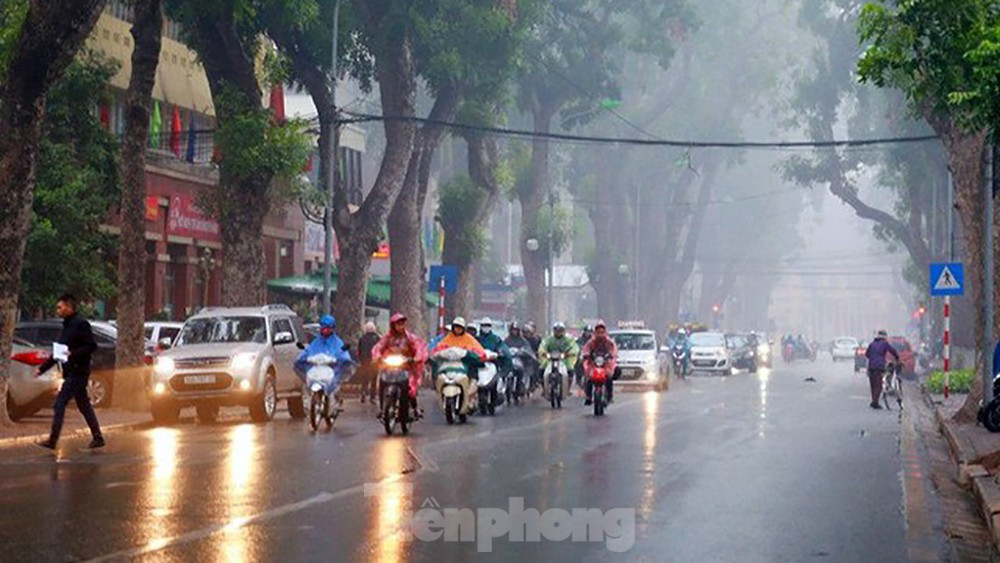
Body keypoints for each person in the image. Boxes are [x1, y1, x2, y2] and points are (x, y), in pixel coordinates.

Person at [35, 294, 104, 450]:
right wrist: (42, 369)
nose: (58, 310)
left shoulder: (81, 324)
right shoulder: (66, 326)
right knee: (84, 405)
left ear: (68, 307)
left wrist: (73, 353)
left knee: (60, 403)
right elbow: (58, 353)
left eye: (60, 307)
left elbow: (91, 346)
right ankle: (98, 437)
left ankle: (53, 440)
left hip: (78, 372)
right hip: (71, 371)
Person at [371, 313, 428, 416]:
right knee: (382, 382)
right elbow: (378, 347)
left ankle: (414, 408)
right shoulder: (387, 338)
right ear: (393, 325)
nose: (400, 327)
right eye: (398, 324)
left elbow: (418, 347)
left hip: (406, 367)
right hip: (389, 367)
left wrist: (416, 358)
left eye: (402, 324)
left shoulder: (410, 338)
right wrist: (378, 357)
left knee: (410, 388)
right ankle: (382, 407)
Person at [294, 314, 354, 398]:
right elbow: (309, 350)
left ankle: (334, 395)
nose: (325, 330)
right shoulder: (316, 341)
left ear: (332, 328)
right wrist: (303, 358)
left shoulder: (337, 342)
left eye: (328, 328)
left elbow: (342, 353)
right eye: (323, 327)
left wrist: (340, 359)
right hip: (317, 368)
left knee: (336, 381)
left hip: (331, 369)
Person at [539, 322, 580, 399]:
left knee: (570, 370)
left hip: (564, 360)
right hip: (550, 360)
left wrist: (570, 353)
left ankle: (567, 389)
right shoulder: (549, 339)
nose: (558, 332)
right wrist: (543, 352)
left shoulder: (568, 339)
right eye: (556, 330)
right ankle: (544, 389)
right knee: (541, 369)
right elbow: (543, 346)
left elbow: (574, 347)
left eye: (560, 330)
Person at [582, 320, 618, 406]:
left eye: (602, 332)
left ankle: (609, 396)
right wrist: (586, 355)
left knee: (609, 377)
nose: (600, 334)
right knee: (589, 378)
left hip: (606, 364)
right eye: (598, 332)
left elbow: (613, 350)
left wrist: (611, 355)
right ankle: (588, 396)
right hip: (594, 363)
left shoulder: (609, 342)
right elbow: (586, 349)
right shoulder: (591, 342)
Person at [864, 329, 900, 409]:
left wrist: (873, 357)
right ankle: (875, 403)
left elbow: (867, 354)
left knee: (873, 385)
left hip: (871, 366)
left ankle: (874, 401)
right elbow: (892, 351)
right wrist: (897, 358)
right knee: (878, 385)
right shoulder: (885, 343)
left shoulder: (872, 344)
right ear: (885, 336)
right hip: (879, 366)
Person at [356, 321, 381, 403]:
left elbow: (359, 350)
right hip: (374, 362)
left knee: (365, 378)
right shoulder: (377, 338)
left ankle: (363, 393)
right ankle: (372, 397)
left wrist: (361, 360)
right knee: (374, 379)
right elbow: (380, 350)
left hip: (365, 361)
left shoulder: (362, 338)